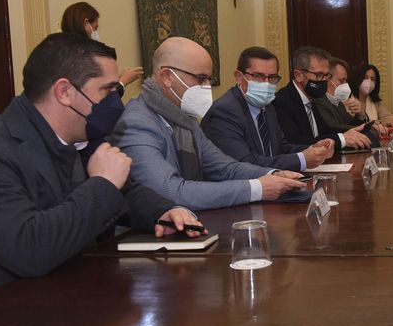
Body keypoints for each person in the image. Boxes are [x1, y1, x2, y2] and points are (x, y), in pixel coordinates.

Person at [0, 33, 204, 297]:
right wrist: (102, 183)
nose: (115, 102)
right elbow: (30, 248)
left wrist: (165, 211)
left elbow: (124, 192)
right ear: (65, 92)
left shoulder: (84, 136)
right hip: (5, 317)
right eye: (107, 90)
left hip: (75, 295)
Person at [111, 37, 305, 210]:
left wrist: (274, 174)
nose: (206, 87)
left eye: (208, 79)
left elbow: (224, 167)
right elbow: (172, 192)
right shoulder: (136, 123)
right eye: (201, 78)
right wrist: (257, 188)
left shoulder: (185, 118)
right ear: (167, 77)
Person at [201, 46, 334, 171]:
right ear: (239, 77)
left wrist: (313, 149)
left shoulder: (267, 106)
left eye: (272, 77)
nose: (266, 84)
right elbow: (244, 163)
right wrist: (302, 159)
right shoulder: (224, 111)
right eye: (258, 76)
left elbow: (281, 148)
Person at [273, 46, 371, 149]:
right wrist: (342, 139)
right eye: (319, 75)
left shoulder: (312, 98)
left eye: (326, 76)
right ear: (299, 75)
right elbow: (296, 142)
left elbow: (324, 133)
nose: (324, 81)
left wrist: (355, 132)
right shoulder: (282, 101)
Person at [60, 2, 143, 95]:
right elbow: (99, 102)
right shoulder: (84, 60)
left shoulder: (62, 55)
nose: (96, 32)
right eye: (95, 28)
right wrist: (123, 82)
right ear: (86, 24)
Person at [314, 57, 388, 137]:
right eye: (342, 80)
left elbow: (349, 123)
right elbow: (333, 127)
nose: (346, 84)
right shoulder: (318, 100)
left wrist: (361, 115)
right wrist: (367, 128)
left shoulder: (337, 102)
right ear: (327, 79)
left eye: (346, 80)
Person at [348, 63, 393, 128]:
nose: (369, 82)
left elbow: (387, 117)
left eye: (372, 79)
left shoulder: (375, 102)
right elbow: (353, 124)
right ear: (357, 78)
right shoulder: (348, 100)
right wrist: (381, 122)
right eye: (365, 78)